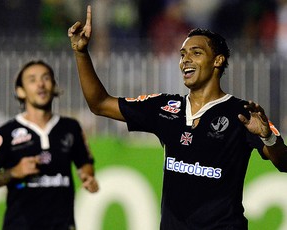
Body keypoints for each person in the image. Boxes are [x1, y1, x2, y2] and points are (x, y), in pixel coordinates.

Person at [68, 5, 287, 229]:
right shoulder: (165, 107)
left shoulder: (242, 113)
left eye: (196, 53)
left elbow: (284, 162)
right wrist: (81, 53)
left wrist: (268, 136)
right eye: (183, 54)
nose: (186, 60)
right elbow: (100, 104)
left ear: (218, 61)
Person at [0, 60, 99, 230]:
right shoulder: (5, 133)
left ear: (53, 86)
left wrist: (87, 177)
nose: (40, 84)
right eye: (32, 80)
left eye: (46, 78)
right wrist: (13, 172)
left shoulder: (71, 127)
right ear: (21, 91)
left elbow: (85, 163)